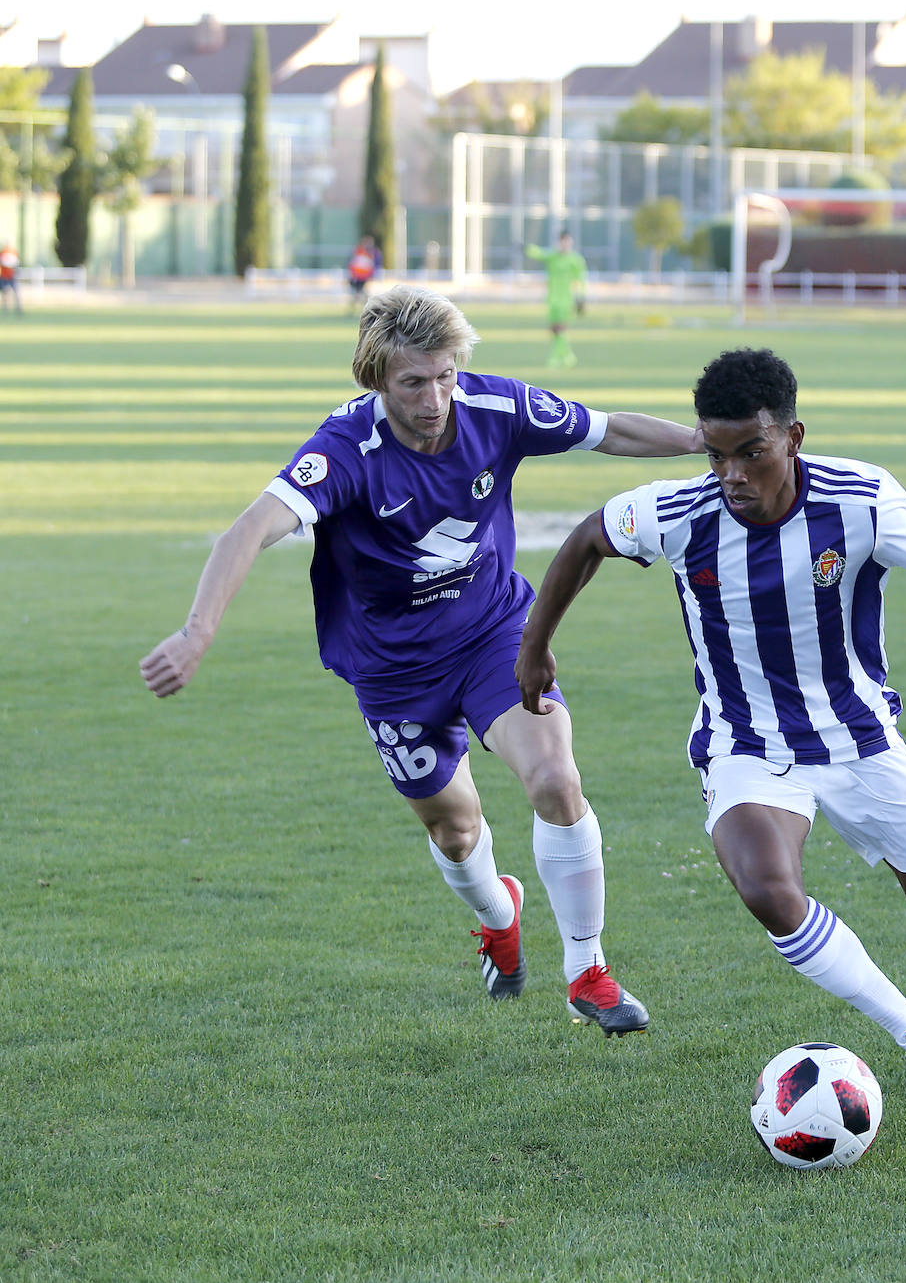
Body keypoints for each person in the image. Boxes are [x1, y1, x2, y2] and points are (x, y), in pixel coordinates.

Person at [516, 347, 906, 1105]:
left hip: (859, 737)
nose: (732, 475)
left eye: (751, 452)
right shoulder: (679, 513)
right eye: (716, 455)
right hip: (745, 740)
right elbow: (590, 535)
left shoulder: (860, 500)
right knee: (766, 886)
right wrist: (535, 644)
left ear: (793, 436)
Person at [140, 285, 701, 1035]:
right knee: (455, 831)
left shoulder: (495, 409)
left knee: (555, 778)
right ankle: (500, 916)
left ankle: (588, 971)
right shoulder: (345, 448)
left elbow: (610, 431)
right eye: (413, 382)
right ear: (376, 378)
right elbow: (247, 530)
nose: (435, 397)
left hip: (494, 633)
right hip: (395, 670)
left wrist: (706, 442)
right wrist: (197, 631)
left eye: (445, 375)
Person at [525, 231, 587, 368]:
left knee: (561, 329)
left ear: (571, 243)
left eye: (567, 242)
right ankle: (568, 356)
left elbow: (581, 280)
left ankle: (556, 357)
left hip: (567, 300)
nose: (565, 245)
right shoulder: (553, 256)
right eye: (562, 241)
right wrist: (526, 247)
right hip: (553, 299)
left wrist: (581, 298)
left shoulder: (575, 260)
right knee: (554, 330)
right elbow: (538, 253)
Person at [346, 236, 382, 312]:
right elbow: (352, 264)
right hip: (357, 277)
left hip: (363, 277)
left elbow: (375, 265)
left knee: (359, 293)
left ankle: (365, 308)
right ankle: (367, 308)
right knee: (359, 293)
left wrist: (373, 274)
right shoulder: (359, 251)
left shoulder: (373, 253)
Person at [0, 240, 21, 314]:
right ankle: (6, 309)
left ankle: (18, 309)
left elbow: (16, 263)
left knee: (16, 293)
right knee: (5, 293)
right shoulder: (3, 252)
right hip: (4, 276)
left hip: (12, 276)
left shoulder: (13, 252)